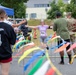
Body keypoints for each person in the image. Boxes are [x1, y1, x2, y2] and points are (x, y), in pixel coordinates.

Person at [0, 9, 16, 75]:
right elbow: (13, 41)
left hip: (5, 52)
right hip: (5, 52)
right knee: (5, 73)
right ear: (4, 16)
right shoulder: (8, 27)